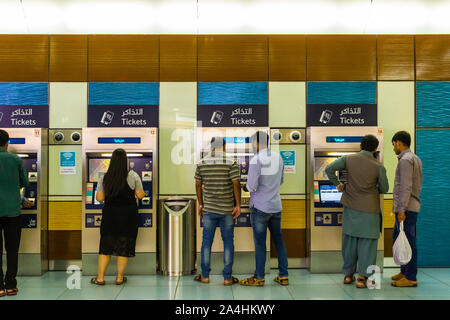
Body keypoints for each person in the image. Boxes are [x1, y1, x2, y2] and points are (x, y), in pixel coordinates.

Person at [325, 134, 389, 288]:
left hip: (350, 206)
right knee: (367, 244)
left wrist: (338, 184)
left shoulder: (348, 159)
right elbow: (385, 188)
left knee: (350, 242)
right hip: (370, 209)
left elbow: (328, 169)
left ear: (360, 146)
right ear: (375, 149)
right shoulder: (378, 166)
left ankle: (348, 275)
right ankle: (362, 278)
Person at [240, 131, 289, 287]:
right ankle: (283, 275)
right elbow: (281, 181)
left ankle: (259, 277)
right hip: (275, 206)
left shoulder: (256, 159)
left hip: (260, 207)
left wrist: (244, 186)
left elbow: (252, 186)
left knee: (260, 243)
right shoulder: (278, 157)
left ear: (256, 143)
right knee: (279, 241)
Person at [90, 148, 145, 286]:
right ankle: (119, 278)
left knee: (105, 246)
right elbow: (140, 195)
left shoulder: (104, 177)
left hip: (110, 216)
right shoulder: (133, 175)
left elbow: (100, 197)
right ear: (125, 161)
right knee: (124, 245)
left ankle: (100, 278)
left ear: (112, 161)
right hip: (128, 216)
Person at [194, 137, 241, 286]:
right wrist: (238, 204)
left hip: (209, 209)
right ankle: (227, 278)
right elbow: (236, 184)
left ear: (211, 146)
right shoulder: (231, 162)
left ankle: (205, 276)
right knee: (228, 243)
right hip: (227, 209)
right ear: (224, 146)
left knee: (206, 243)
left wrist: (201, 204)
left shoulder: (202, 163)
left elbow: (197, 184)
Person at [0, 129, 32, 297]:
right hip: (12, 212)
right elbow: (24, 182)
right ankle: (11, 284)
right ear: (7, 143)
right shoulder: (15, 160)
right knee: (12, 249)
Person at [391, 131, 423, 288]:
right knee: (400, 238)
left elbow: (405, 186)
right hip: (410, 206)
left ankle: (410, 277)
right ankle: (404, 272)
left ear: (398, 142)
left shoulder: (405, 160)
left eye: (393, 145)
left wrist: (402, 209)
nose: (393, 148)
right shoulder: (415, 158)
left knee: (408, 242)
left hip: (406, 208)